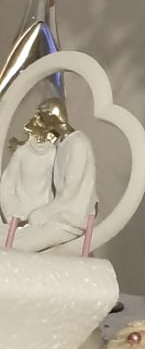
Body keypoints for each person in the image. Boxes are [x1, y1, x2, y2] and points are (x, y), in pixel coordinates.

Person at [0, 94, 96, 253]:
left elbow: (70, 193)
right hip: (56, 217)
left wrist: (40, 214)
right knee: (7, 237)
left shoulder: (78, 144)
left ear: (52, 117)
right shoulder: (61, 143)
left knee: (15, 246)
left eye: (41, 116)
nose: (38, 119)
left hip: (70, 221)